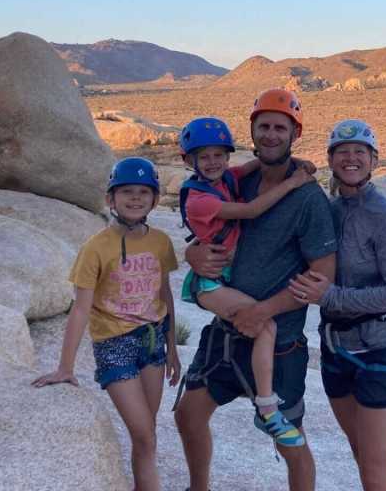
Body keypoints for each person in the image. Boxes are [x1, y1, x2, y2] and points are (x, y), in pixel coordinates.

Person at [175, 88, 337, 491]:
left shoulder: (309, 200)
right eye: (263, 126)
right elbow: (210, 227)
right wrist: (192, 252)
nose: (270, 134)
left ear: (294, 134)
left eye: (280, 128)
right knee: (188, 415)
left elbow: (323, 275)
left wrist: (264, 311)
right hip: (227, 334)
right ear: (252, 131)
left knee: (290, 444)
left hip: (278, 342)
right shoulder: (233, 183)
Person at [33, 157, 181, 491]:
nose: (135, 198)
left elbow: (165, 295)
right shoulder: (96, 248)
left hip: (152, 339)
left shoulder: (160, 242)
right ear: (110, 199)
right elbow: (81, 310)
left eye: (144, 192)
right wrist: (65, 367)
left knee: (148, 437)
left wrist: (172, 348)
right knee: (143, 433)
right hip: (115, 346)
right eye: (126, 191)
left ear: (155, 199)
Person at [289, 119, 386, 491]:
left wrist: (330, 298)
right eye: (342, 152)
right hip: (336, 351)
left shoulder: (384, 213)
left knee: (376, 469)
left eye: (360, 151)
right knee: (362, 453)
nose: (351, 158)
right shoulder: (331, 209)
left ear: (374, 160)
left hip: (380, 351)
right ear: (330, 159)